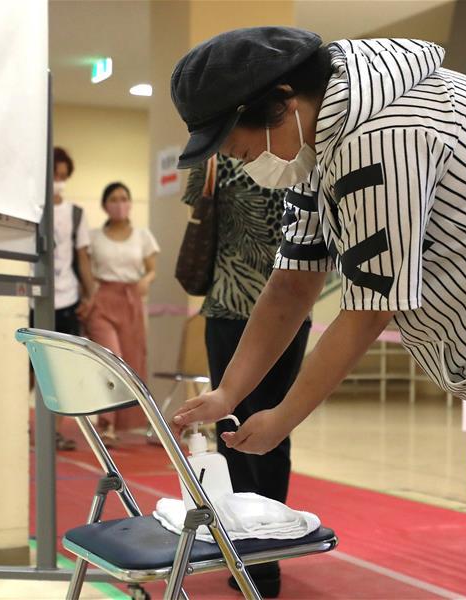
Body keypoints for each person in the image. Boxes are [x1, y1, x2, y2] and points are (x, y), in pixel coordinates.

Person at [170, 27, 466, 599]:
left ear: (282, 102)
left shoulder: (381, 134)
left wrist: (282, 418)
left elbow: (369, 309)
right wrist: (230, 394)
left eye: (243, 149)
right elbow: (292, 282)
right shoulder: (319, 137)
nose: (246, 163)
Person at [182, 155, 309, 597]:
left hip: (232, 304)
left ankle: (245, 550)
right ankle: (265, 555)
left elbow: (197, 206)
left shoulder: (217, 157)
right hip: (287, 310)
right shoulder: (299, 160)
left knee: (232, 429)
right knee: (270, 432)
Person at [31, 146, 97, 451]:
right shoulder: (33, 208)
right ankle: (28, 427)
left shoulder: (76, 213)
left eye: (62, 176)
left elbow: (82, 257)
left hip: (67, 298)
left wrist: (90, 294)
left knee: (62, 370)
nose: (58, 181)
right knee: (30, 369)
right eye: (53, 175)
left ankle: (54, 431)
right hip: (34, 299)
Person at [85, 182, 159, 444]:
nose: (120, 204)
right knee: (110, 358)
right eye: (114, 199)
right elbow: (85, 269)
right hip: (103, 299)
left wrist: (146, 280)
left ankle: (121, 422)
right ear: (105, 205)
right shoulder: (93, 237)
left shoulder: (143, 236)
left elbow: (152, 269)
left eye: (124, 198)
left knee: (130, 362)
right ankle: (106, 423)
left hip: (131, 300)